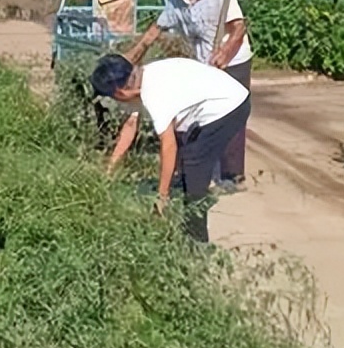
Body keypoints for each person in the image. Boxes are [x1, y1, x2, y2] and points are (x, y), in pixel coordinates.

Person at [123, 0, 253, 191]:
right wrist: (131, 57)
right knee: (198, 117)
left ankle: (233, 175)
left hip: (233, 60)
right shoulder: (176, 2)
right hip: (205, 64)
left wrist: (226, 52)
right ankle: (194, 172)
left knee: (230, 113)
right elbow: (154, 31)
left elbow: (238, 28)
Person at [91, 53, 251, 243]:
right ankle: (184, 210)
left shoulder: (154, 94)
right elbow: (130, 126)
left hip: (229, 106)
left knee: (194, 166)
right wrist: (109, 170)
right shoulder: (141, 78)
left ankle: (196, 242)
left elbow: (168, 146)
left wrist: (162, 197)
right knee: (189, 164)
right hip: (225, 99)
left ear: (120, 92)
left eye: (112, 96)